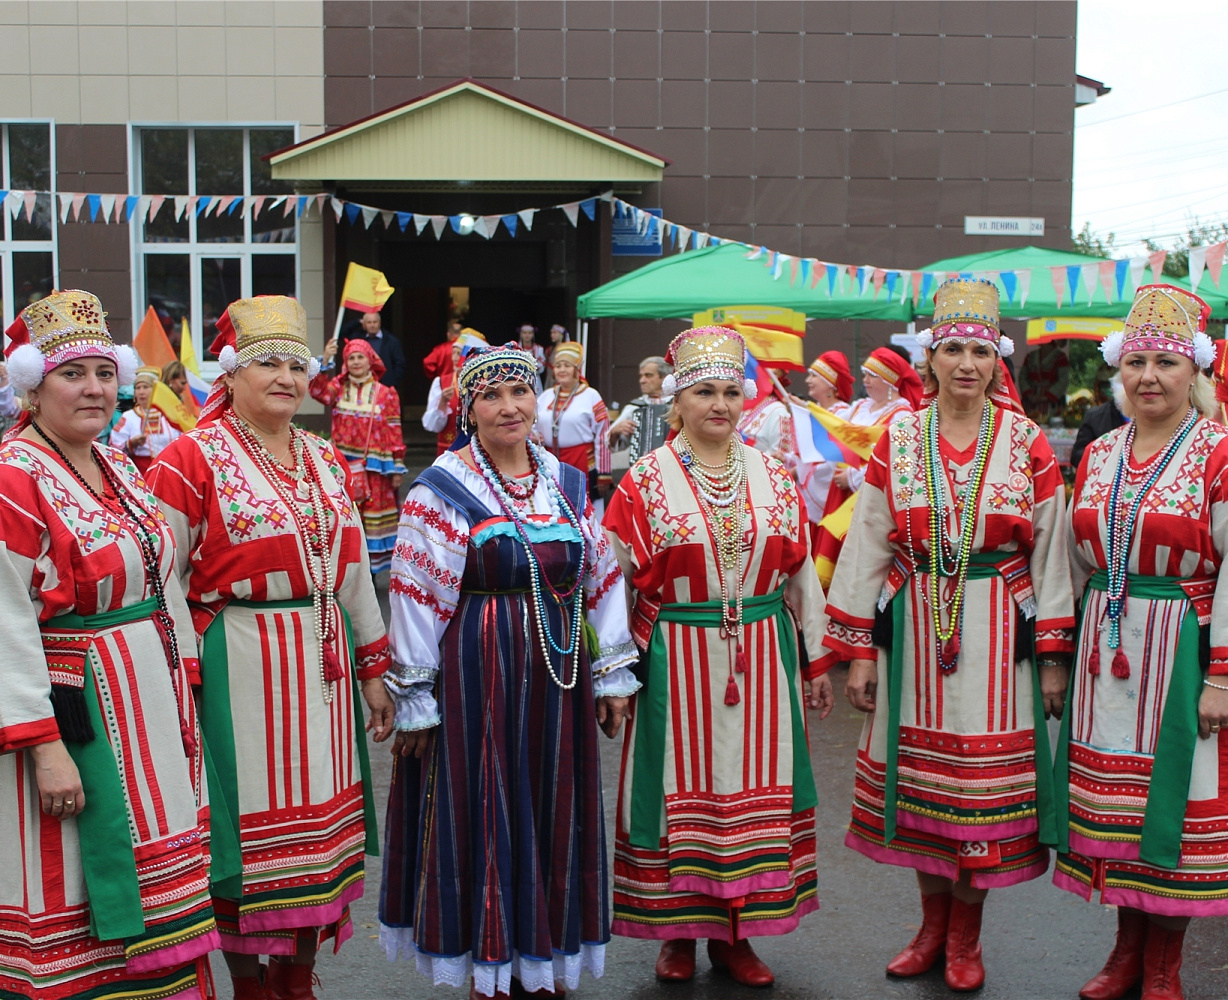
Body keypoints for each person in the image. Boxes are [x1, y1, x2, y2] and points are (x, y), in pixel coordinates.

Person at [824, 279, 1075, 993]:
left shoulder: (1026, 442)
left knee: (979, 793)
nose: (966, 362)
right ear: (929, 359)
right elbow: (869, 539)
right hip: (912, 624)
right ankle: (929, 930)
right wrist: (860, 655)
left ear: (998, 362)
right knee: (922, 787)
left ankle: (966, 938)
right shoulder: (899, 437)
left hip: (1000, 628)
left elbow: (1052, 549)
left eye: (980, 350)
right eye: (952, 349)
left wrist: (1052, 657)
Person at [147, 295, 396, 1000]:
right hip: (240, 664)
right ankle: (251, 981)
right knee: (248, 837)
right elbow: (161, 575)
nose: (285, 377)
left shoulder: (324, 458)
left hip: (323, 664)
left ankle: (300, 974)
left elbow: (352, 572)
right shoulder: (188, 459)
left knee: (321, 825)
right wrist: (185, 675)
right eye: (267, 364)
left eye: (295, 363)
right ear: (229, 376)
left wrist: (373, 668)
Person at [379, 343, 639, 998]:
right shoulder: (442, 487)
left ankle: (542, 959)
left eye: (519, 392)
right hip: (477, 674)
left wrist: (610, 672)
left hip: (558, 672)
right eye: (490, 395)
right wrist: (414, 695)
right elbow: (414, 593)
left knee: (552, 803)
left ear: (537, 400)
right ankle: (489, 962)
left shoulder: (567, 482)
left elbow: (600, 577)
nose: (508, 407)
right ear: (468, 409)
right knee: (488, 806)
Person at [0, 290, 221, 1000]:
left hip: (147, 710)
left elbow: (165, 583)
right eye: (73, 374)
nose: (94, 388)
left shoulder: (120, 466)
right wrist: (45, 746)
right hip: (76, 714)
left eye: (103, 371)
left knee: (159, 885)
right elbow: (6, 621)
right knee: (77, 892)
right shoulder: (11, 478)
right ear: (32, 388)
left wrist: (184, 683)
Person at [605, 326, 835, 989]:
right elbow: (611, 587)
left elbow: (802, 580)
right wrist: (614, 674)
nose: (720, 404)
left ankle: (739, 934)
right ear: (678, 399)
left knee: (751, 791)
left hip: (763, 656)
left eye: (732, 392)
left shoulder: (774, 476)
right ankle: (678, 934)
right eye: (705, 391)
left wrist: (817, 661)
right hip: (676, 657)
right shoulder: (643, 481)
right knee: (683, 795)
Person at [1055, 284, 1228, 1000]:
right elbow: (1071, 560)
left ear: (1195, 371)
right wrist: (1061, 658)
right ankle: (1125, 950)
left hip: (1183, 650)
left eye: (1166, 362)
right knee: (1115, 808)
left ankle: (1164, 965)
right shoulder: (1098, 454)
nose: (1149, 376)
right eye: (1136, 362)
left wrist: (1221, 676)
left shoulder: (1219, 452)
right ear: (1117, 371)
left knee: (1174, 804)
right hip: (1107, 653)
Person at [309, 338, 408, 577]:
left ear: (370, 360)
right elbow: (317, 392)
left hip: (376, 469)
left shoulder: (386, 394)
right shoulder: (338, 387)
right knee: (346, 518)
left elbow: (394, 429)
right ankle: (348, 572)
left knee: (373, 522)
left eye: (360, 357)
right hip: (343, 468)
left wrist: (397, 466)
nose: (355, 362)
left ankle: (371, 575)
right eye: (350, 358)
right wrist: (324, 359)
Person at [537, 341, 612, 511]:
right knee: (552, 506)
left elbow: (603, 435)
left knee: (583, 508)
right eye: (558, 366)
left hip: (581, 460)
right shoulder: (546, 396)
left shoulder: (590, 396)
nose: (561, 370)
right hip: (549, 460)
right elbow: (532, 425)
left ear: (577, 370)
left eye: (567, 366)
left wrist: (604, 473)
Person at [422, 328, 486, 455]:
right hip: (449, 453)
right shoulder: (441, 382)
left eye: (460, 354)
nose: (456, 358)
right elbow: (431, 426)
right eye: (454, 353)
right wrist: (442, 403)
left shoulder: (486, 384)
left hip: (480, 453)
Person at [109, 364, 182, 475]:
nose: (141, 392)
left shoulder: (169, 415)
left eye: (146, 387)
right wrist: (131, 444)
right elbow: (113, 449)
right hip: (140, 473)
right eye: (138, 388)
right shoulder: (128, 417)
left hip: (169, 470)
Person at [608, 355, 673, 464]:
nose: (642, 381)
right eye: (641, 376)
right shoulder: (634, 407)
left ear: (665, 377)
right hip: (643, 468)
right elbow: (610, 445)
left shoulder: (678, 404)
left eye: (648, 376)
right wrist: (615, 432)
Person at [331, 309, 405, 389]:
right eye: (369, 322)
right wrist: (358, 322)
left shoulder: (391, 341)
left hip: (384, 386)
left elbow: (399, 364)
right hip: (362, 385)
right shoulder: (358, 338)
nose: (372, 325)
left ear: (379, 323)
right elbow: (341, 333)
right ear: (364, 324)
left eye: (375, 322)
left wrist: (392, 382)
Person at [542, 323, 569, 389]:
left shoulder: (565, 349)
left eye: (554, 333)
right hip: (550, 379)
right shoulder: (549, 350)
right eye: (551, 333)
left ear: (561, 335)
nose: (552, 335)